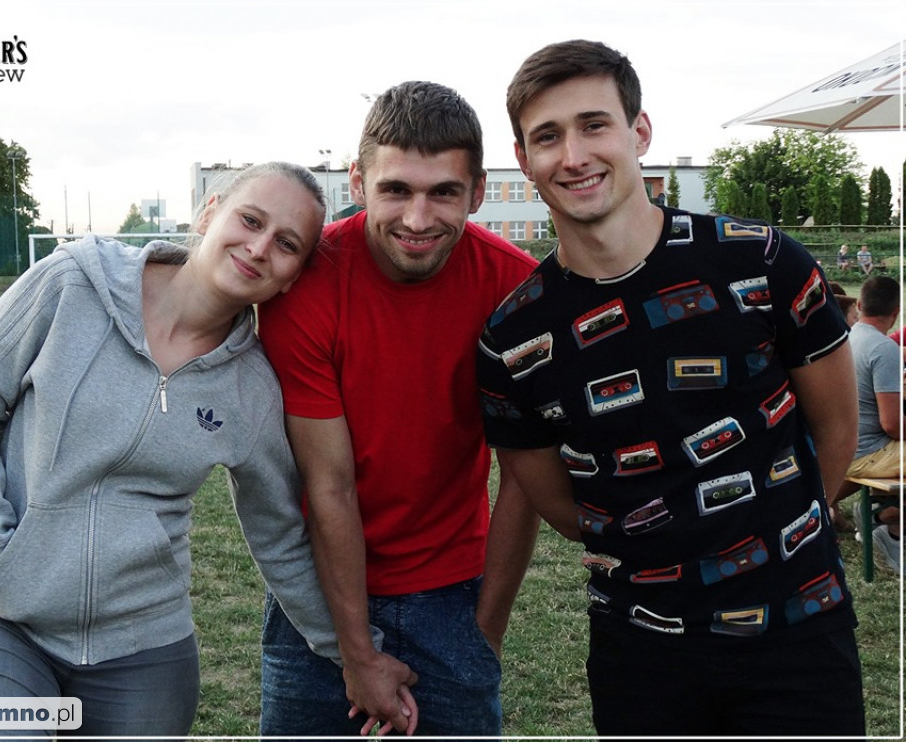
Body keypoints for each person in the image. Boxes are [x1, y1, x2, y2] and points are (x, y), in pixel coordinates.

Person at [476, 40, 865, 737]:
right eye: (547, 137)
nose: (574, 154)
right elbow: (562, 507)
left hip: (797, 631)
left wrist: (777, 530)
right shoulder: (514, 337)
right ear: (524, 158)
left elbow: (836, 431)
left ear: (640, 132)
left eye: (594, 124)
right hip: (641, 654)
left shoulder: (763, 261)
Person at [0, 162, 342, 738]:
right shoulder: (72, 283)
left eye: (287, 244)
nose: (260, 246)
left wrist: (351, 652)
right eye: (250, 219)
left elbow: (279, 535)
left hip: (144, 648)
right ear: (210, 213)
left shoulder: (254, 390)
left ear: (293, 276)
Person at [256, 80, 541, 738]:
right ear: (358, 182)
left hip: (454, 590)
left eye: (443, 192)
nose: (417, 219)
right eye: (396, 190)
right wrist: (356, 654)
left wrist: (486, 634)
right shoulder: (305, 287)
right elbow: (330, 485)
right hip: (316, 594)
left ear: (477, 191)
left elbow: (523, 479)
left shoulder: (516, 289)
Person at [835, 275, 902, 573]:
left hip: (844, 446)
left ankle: (882, 513)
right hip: (867, 453)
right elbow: (892, 425)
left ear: (860, 305)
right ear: (896, 312)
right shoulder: (884, 348)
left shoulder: (847, 336)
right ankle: (891, 531)